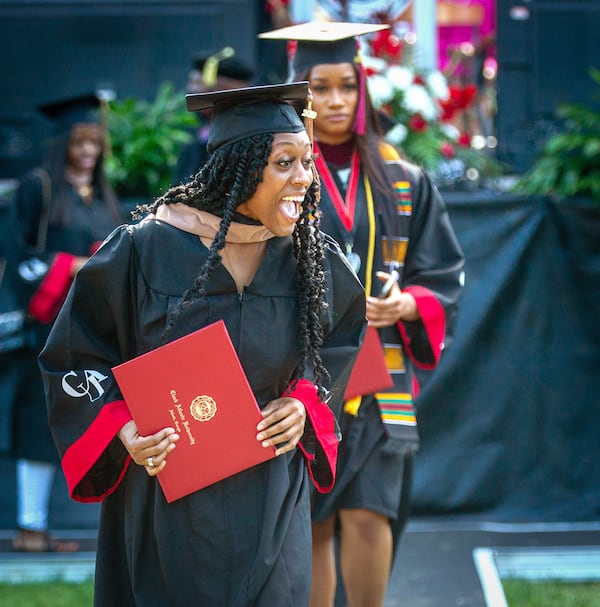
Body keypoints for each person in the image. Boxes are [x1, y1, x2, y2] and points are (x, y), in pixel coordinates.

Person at [39, 82, 366, 606]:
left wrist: (305, 401)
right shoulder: (144, 247)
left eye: (308, 162)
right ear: (240, 166)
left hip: (271, 490)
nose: (303, 179)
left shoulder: (308, 256)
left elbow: (341, 340)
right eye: (285, 163)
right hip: (167, 491)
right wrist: (122, 428)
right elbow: (75, 356)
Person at [262, 22, 465, 607]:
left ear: (362, 91)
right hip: (304, 369)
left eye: (345, 87)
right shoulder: (278, 172)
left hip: (379, 370)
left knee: (371, 513)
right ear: (300, 93)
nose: (333, 101)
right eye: (318, 88)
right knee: (314, 520)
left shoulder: (402, 178)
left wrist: (407, 304)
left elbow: (442, 271)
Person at [11, 92, 123, 552]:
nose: (88, 151)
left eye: (95, 143)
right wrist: (76, 266)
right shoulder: (39, 187)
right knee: (38, 426)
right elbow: (19, 257)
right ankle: (30, 528)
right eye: (79, 142)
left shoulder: (104, 196)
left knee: (91, 420)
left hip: (92, 329)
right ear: (63, 145)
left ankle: (88, 526)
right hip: (46, 329)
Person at [173, 47, 255, 184]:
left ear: (222, 91)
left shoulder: (248, 142)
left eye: (198, 83)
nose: (191, 89)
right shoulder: (192, 144)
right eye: (191, 82)